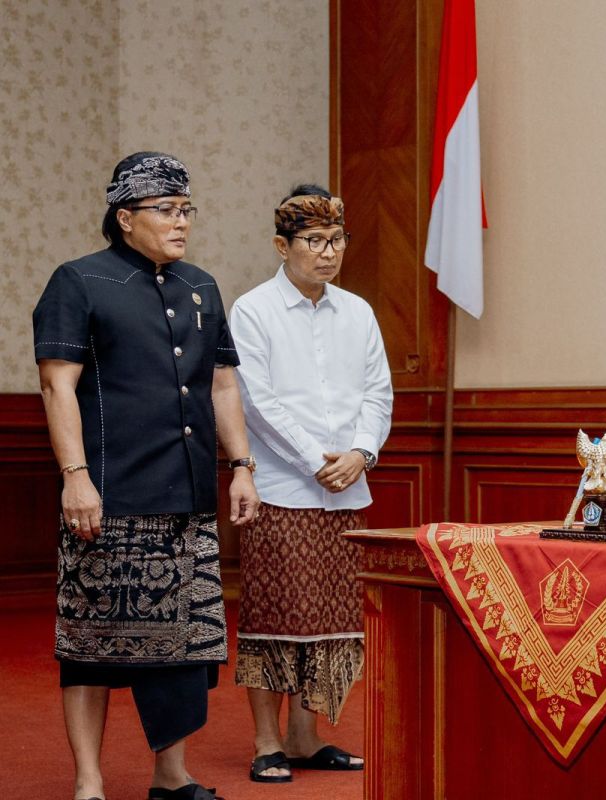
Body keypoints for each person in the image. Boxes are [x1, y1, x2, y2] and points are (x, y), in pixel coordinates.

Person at [33, 151, 260, 800]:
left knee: (187, 648)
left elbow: (221, 386)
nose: (181, 221)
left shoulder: (201, 287)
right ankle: (89, 782)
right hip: (108, 493)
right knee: (89, 647)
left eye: (187, 209)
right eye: (167, 210)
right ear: (125, 217)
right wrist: (75, 477)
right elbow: (57, 386)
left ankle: (172, 777)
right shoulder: (79, 282)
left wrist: (241, 465)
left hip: (187, 493)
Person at [229, 185, 392, 783]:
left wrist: (361, 452)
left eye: (337, 240)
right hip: (279, 488)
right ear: (282, 245)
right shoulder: (253, 310)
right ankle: (267, 741)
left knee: (333, 617)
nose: (328, 253)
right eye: (314, 241)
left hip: (348, 487)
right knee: (278, 614)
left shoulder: (359, 311)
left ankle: (306, 736)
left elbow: (378, 392)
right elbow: (257, 400)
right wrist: (314, 458)